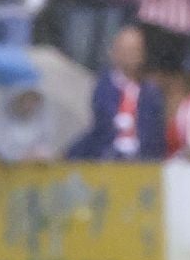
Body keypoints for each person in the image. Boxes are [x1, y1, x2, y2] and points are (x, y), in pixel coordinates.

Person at [68, 25, 167, 160]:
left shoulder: (151, 93)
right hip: (108, 159)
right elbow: (102, 128)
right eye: (125, 50)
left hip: (143, 162)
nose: (130, 56)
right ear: (114, 53)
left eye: (134, 50)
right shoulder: (104, 87)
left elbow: (155, 135)